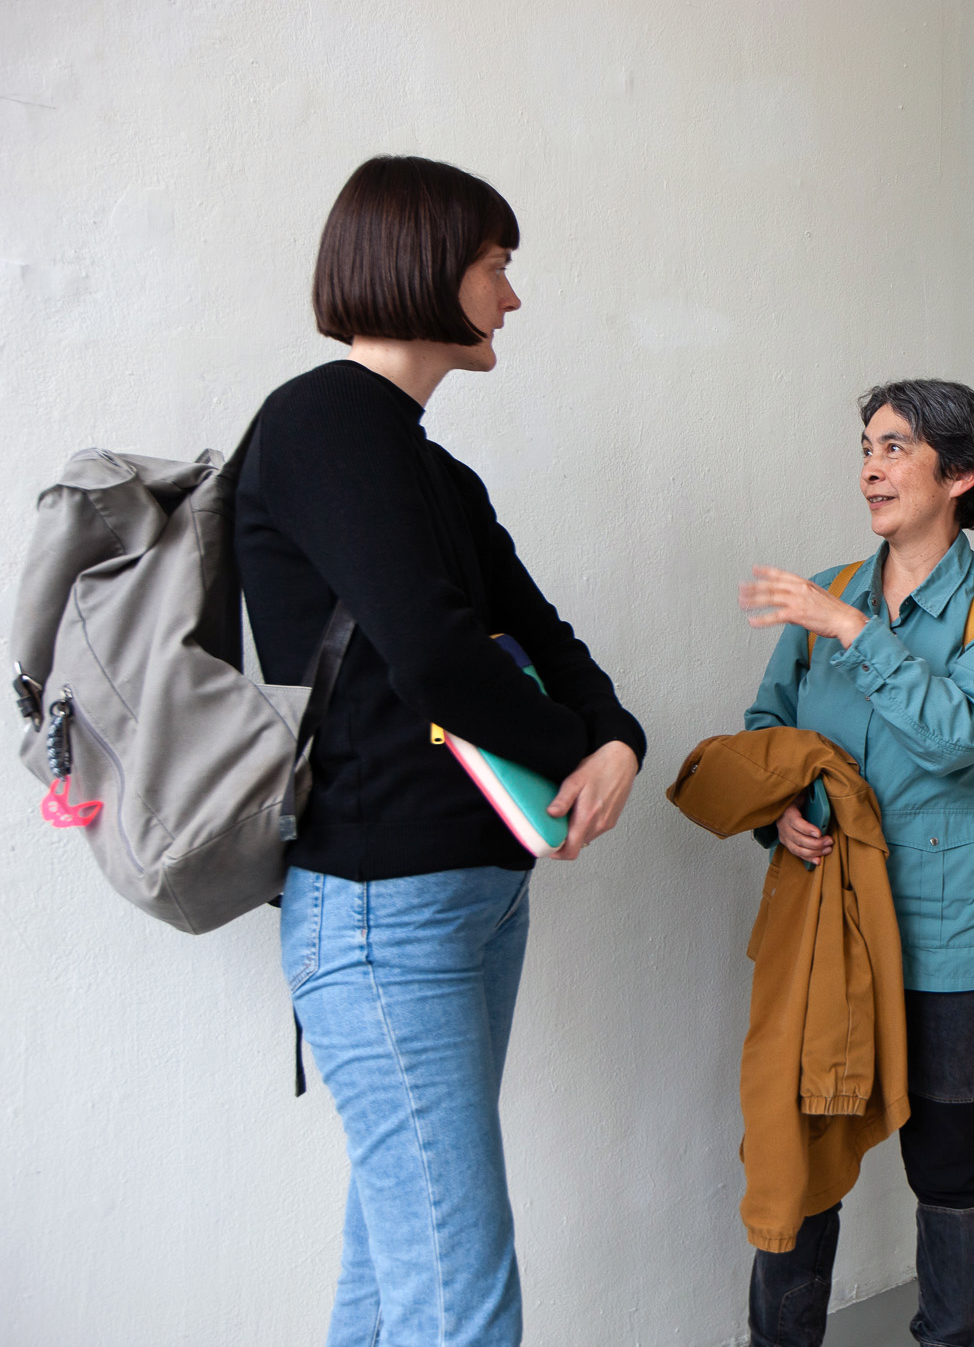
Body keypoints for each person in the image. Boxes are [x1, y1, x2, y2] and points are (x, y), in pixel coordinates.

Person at [236, 155, 646, 1346]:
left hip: (473, 893)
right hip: (380, 908)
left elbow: (538, 631)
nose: (510, 297)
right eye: (495, 266)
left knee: (399, 1261)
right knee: (459, 1295)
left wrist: (617, 740)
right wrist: (574, 751)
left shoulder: (432, 468)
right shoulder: (321, 422)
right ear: (423, 265)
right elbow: (435, 655)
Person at [736, 379, 974, 1347]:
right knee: (802, 1153)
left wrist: (853, 631)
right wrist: (780, 810)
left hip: (957, 937)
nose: (871, 466)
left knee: (945, 1159)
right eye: (866, 447)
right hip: (832, 929)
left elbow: (960, 732)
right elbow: (769, 728)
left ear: (960, 475)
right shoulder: (827, 591)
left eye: (895, 446)